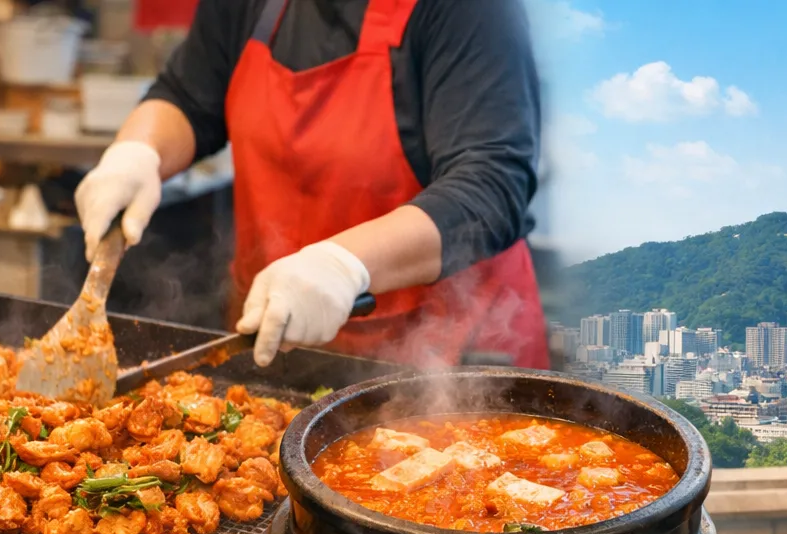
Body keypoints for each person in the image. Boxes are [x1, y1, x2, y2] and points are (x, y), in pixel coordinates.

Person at [73, 0, 547, 370]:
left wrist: (343, 265)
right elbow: (188, 95)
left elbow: (492, 184)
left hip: (442, 358)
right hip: (272, 339)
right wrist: (138, 152)